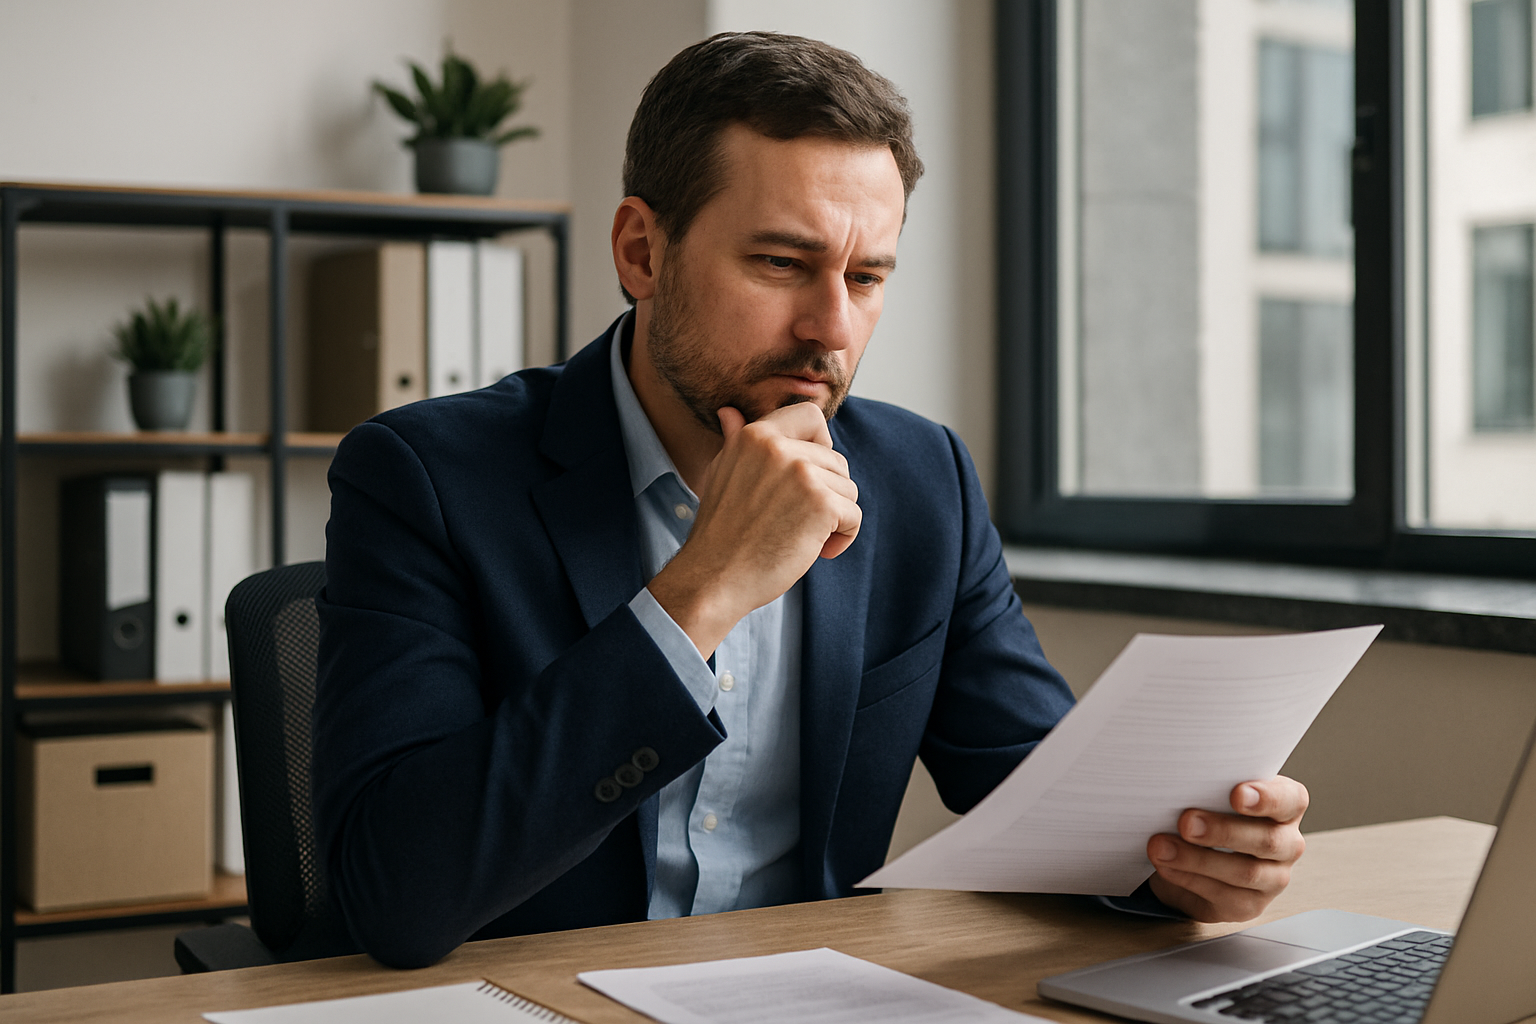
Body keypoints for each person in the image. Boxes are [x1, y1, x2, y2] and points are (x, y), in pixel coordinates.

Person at [313, 31, 1309, 970]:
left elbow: (1046, 804)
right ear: (641, 253)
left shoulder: (925, 482)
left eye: (867, 275)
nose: (830, 327)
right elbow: (397, 891)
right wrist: (700, 592)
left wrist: (1183, 860)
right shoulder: (425, 477)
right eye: (781, 263)